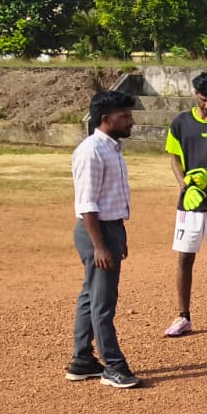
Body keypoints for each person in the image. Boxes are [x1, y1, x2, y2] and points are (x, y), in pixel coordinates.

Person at [69, 87, 140, 389]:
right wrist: (100, 245)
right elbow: (86, 203)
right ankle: (113, 365)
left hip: (110, 228)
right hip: (96, 230)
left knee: (91, 295)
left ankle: (82, 360)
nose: (130, 121)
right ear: (106, 119)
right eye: (125, 116)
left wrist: (117, 237)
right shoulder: (92, 151)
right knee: (103, 302)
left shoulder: (111, 148)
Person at [164, 70, 207, 337]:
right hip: (189, 204)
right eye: (203, 100)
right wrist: (184, 185)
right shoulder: (180, 122)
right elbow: (174, 158)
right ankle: (183, 316)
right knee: (184, 257)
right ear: (196, 94)